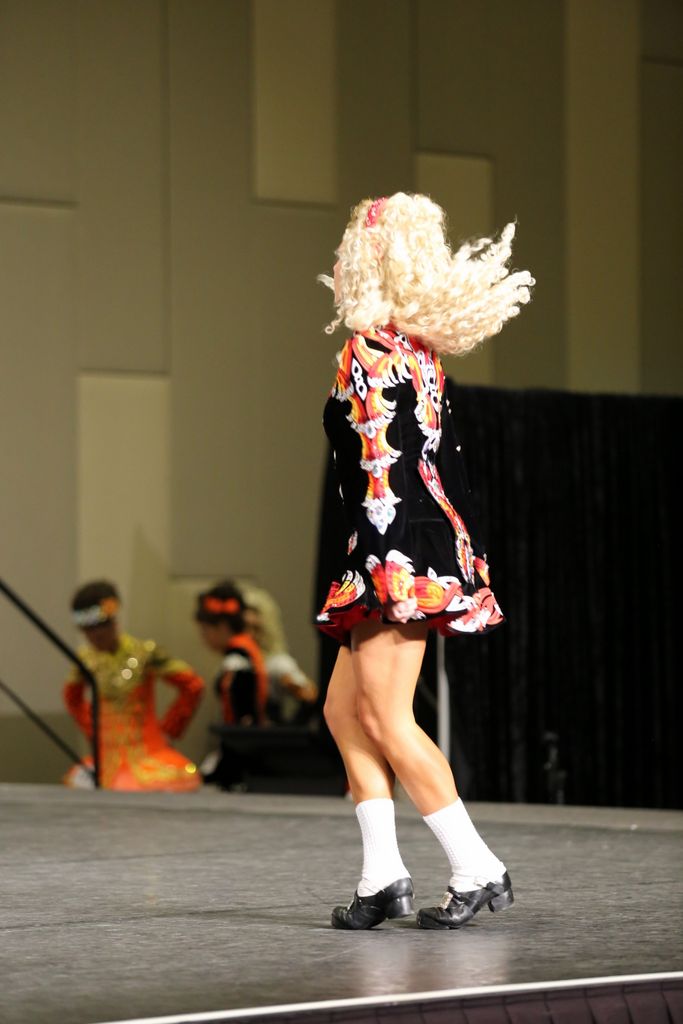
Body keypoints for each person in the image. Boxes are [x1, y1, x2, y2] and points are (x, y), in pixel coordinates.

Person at [315, 193, 534, 930]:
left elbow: (380, 468)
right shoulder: (417, 349)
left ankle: (477, 865)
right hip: (409, 539)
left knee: (384, 715)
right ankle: (382, 876)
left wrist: (385, 564)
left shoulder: (369, 349)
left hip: (395, 545)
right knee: (344, 711)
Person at [63, 580, 204, 791]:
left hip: (149, 755)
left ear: (114, 620)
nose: (96, 634)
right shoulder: (85, 660)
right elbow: (72, 699)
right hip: (105, 760)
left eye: (102, 625)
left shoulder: (143, 653)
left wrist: (170, 729)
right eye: (88, 629)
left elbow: (192, 685)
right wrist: (94, 731)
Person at [195, 580, 269, 789]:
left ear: (221, 627)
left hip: (241, 751)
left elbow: (240, 715)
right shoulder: (248, 650)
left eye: (205, 630)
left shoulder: (236, 659)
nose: (203, 638)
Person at [236, 578, 318, 723]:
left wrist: (290, 730)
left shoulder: (278, 663)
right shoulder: (238, 658)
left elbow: (309, 696)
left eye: (254, 628)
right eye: (243, 627)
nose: (248, 634)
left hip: (265, 733)